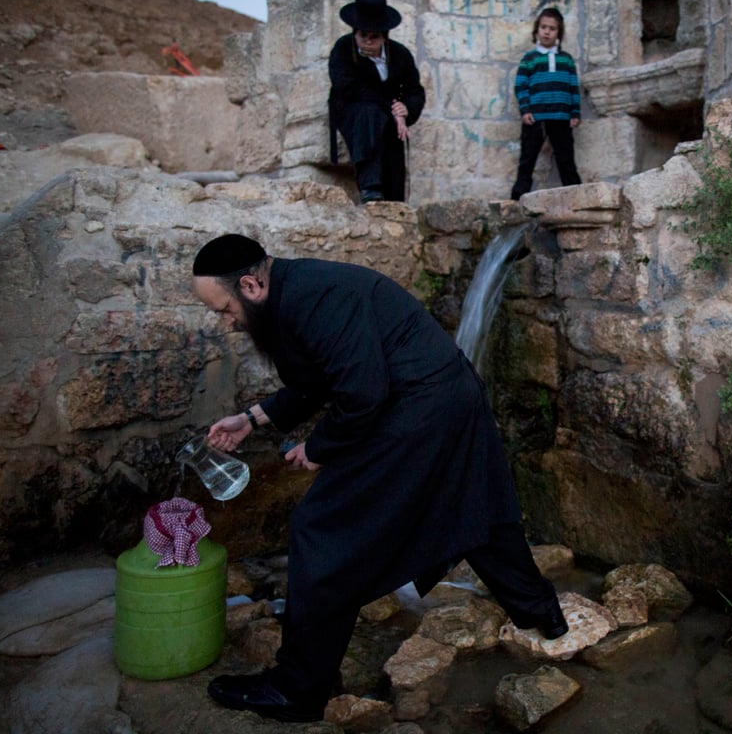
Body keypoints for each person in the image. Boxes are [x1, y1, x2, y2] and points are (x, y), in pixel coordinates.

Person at [191, 234, 567, 723]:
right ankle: (545, 617)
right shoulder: (293, 292)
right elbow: (316, 379)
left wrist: (321, 448)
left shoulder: (316, 297)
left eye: (224, 309)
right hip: (444, 398)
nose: (227, 323)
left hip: (420, 407)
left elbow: (362, 393)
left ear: (249, 285)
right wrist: (254, 418)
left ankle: (297, 689)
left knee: (322, 529)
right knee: (478, 511)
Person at [328, 0, 425, 203]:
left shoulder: (399, 55)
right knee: (369, 115)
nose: (368, 42)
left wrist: (405, 109)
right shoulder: (343, 49)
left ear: (384, 36)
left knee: (393, 140)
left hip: (388, 115)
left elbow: (414, 90)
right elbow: (347, 87)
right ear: (355, 33)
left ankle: (394, 201)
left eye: (375, 37)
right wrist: (392, 106)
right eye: (363, 36)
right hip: (354, 110)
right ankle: (370, 187)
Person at [509, 7, 582, 201]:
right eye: (543, 27)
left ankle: (576, 194)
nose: (547, 31)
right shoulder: (529, 59)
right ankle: (519, 194)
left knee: (566, 158)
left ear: (559, 33)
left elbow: (573, 87)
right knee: (527, 157)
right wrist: (525, 110)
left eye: (552, 28)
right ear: (537, 30)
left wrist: (575, 113)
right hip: (536, 117)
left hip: (561, 117)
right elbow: (521, 86)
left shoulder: (566, 60)